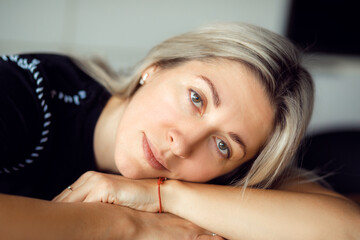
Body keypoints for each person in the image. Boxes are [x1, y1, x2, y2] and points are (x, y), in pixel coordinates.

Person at [0, 22, 359, 239]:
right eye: (196, 98)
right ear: (156, 67)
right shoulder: (27, 93)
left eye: (222, 146)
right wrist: (126, 226)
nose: (183, 143)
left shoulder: (211, 182)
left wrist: (165, 196)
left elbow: (347, 230)